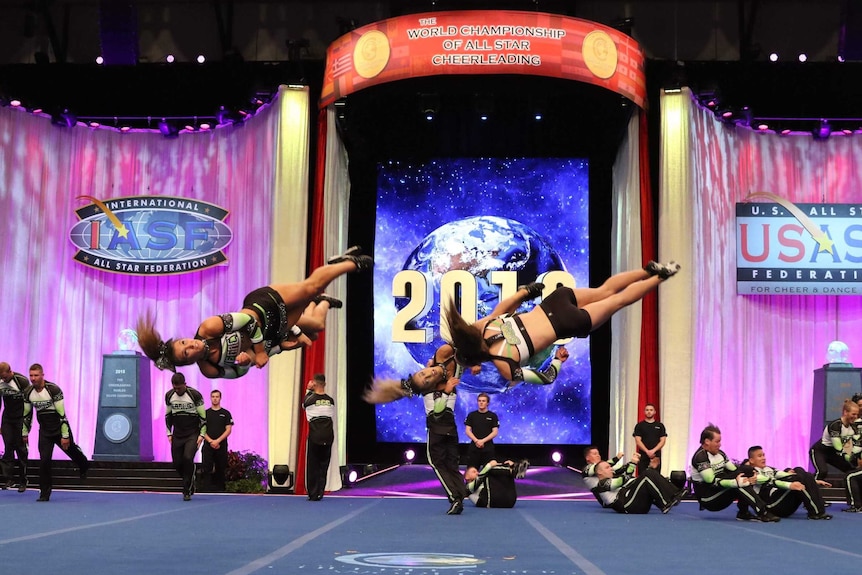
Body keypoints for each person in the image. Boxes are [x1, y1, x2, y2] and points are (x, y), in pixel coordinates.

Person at [138, 246, 372, 379]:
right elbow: (240, 371)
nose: (191, 346)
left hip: (263, 305)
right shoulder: (209, 369)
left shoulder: (208, 328)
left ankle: (352, 263)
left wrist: (258, 351)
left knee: (312, 286)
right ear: (189, 363)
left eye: (184, 343)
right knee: (317, 329)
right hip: (272, 333)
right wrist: (252, 357)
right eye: (187, 354)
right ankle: (323, 300)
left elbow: (249, 322)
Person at [442, 262, 680, 389]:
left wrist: (557, 360)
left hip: (565, 323)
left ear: (477, 359)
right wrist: (526, 291)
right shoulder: (485, 325)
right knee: (605, 291)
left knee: (618, 300)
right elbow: (506, 305)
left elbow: (545, 378)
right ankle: (646, 270)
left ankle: (662, 276)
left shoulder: (504, 366)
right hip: (553, 303)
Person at [364, 282, 560, 403]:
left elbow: (462, 348)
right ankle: (545, 368)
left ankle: (523, 293)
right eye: (428, 379)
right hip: (478, 354)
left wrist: (473, 363)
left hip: (471, 341)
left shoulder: (441, 355)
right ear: (432, 386)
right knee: (512, 368)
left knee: (496, 317)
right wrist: (470, 368)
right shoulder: (443, 386)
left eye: (423, 373)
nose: (430, 373)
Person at [22, 363, 90, 502]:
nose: (33, 378)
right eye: (31, 376)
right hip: (45, 431)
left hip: (59, 428)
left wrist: (65, 436)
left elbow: (62, 415)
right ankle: (44, 493)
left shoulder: (53, 389)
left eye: (36, 375)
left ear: (42, 375)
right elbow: (27, 415)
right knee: (44, 461)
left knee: (72, 451)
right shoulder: (28, 392)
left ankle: (83, 464)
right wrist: (24, 433)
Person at [690, 423, 779, 522]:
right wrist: (735, 482)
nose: (720, 444)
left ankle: (743, 513)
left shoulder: (720, 454)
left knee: (747, 470)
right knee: (740, 481)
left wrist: (751, 476)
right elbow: (711, 482)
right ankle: (763, 512)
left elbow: (735, 470)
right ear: (707, 441)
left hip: (720, 489)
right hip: (708, 498)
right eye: (717, 442)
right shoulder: (700, 457)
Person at [741, 445, 832, 520]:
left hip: (783, 501)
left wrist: (813, 481)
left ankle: (819, 510)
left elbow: (785, 475)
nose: (763, 458)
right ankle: (815, 513)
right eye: (760, 456)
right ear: (751, 460)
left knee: (799, 471)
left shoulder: (769, 469)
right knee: (799, 477)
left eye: (764, 455)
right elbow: (770, 481)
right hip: (772, 505)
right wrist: (790, 484)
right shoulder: (751, 472)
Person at [424, 375, 468, 515]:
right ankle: (460, 495)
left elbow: (437, 413)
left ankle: (455, 498)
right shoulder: (452, 388)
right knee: (451, 466)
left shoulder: (432, 388)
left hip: (437, 430)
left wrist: (446, 392)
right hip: (451, 430)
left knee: (437, 464)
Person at [590, 453, 687, 514]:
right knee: (646, 475)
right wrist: (633, 463)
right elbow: (624, 479)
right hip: (627, 506)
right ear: (599, 472)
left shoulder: (611, 479)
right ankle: (665, 503)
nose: (611, 468)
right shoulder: (602, 484)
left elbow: (633, 481)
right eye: (607, 468)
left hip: (634, 504)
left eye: (610, 467)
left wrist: (652, 469)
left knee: (648, 473)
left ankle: (674, 495)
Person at [165, 372, 207, 501]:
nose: (177, 390)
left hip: (192, 432)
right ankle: (190, 478)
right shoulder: (169, 395)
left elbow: (203, 417)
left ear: (185, 384)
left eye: (179, 388)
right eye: (175, 388)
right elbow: (168, 416)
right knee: (177, 463)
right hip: (178, 432)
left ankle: (187, 490)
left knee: (188, 458)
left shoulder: (194, 395)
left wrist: (202, 434)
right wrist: (169, 433)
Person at [809, 399, 861, 481]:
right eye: (853, 414)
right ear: (845, 412)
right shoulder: (835, 425)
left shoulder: (853, 427)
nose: (855, 417)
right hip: (820, 451)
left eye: (857, 415)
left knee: (852, 471)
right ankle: (809, 488)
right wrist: (851, 457)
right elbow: (839, 448)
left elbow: (851, 445)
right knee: (822, 472)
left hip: (833, 452)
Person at [303, 373, 334, 501]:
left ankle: (313, 493)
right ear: (325, 384)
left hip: (315, 435)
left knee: (313, 464)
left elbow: (304, 405)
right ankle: (321, 491)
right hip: (328, 435)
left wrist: (308, 389)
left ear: (314, 384)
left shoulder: (310, 400)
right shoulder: (331, 400)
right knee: (324, 465)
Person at [0, 362, 31, 492]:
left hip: (20, 418)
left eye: (5, 377)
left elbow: (29, 406)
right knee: (8, 447)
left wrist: (26, 428)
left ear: (10, 372)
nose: (3, 380)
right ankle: (9, 479)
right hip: (7, 418)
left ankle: (23, 480)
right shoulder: (0, 382)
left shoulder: (22, 381)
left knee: (21, 449)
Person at [463, 459, 530, 508]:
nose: (477, 473)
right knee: (489, 471)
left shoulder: (483, 481)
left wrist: (507, 465)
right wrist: (489, 465)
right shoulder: (467, 488)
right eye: (474, 472)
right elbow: (480, 477)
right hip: (489, 501)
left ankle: (513, 470)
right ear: (466, 476)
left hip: (509, 501)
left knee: (492, 471)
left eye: (477, 471)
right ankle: (514, 471)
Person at [201, 389, 233, 492]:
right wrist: (211, 441)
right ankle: (206, 490)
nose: (215, 399)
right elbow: (201, 430)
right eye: (213, 397)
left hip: (221, 446)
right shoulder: (205, 413)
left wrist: (218, 441)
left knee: (221, 468)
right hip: (208, 446)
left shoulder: (226, 413)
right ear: (210, 398)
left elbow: (228, 429)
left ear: (220, 398)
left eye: (217, 397)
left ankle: (221, 490)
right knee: (207, 469)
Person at [464, 393, 499, 469]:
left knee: (489, 473)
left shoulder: (492, 416)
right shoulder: (471, 415)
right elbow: (467, 430)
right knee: (471, 471)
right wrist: (476, 441)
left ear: (487, 403)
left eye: (483, 401)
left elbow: (495, 432)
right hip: (474, 448)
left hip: (488, 449)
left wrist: (483, 441)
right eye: (479, 401)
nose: (481, 402)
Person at [633, 403, 667, 474]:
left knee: (656, 477)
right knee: (642, 476)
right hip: (643, 456)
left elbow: (663, 440)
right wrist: (647, 451)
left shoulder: (660, 426)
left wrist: (653, 451)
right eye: (647, 410)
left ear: (654, 412)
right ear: (644, 412)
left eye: (651, 410)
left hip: (656, 456)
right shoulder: (639, 426)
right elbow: (638, 440)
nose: (649, 412)